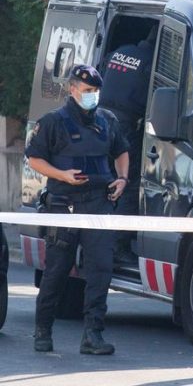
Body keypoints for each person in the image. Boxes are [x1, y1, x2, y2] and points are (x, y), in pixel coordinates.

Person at [25, 64, 129, 355]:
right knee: (57, 270)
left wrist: (122, 178)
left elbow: (121, 150)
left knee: (101, 270)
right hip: (64, 205)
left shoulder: (107, 120)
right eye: (87, 90)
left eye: (96, 91)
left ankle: (93, 335)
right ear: (72, 90)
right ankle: (43, 330)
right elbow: (34, 158)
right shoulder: (53, 122)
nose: (92, 95)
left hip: (99, 203)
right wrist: (62, 175)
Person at [99, 26, 155, 264]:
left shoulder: (119, 52)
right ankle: (118, 247)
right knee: (127, 184)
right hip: (124, 126)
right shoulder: (151, 63)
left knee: (102, 180)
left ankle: (97, 243)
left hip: (99, 120)